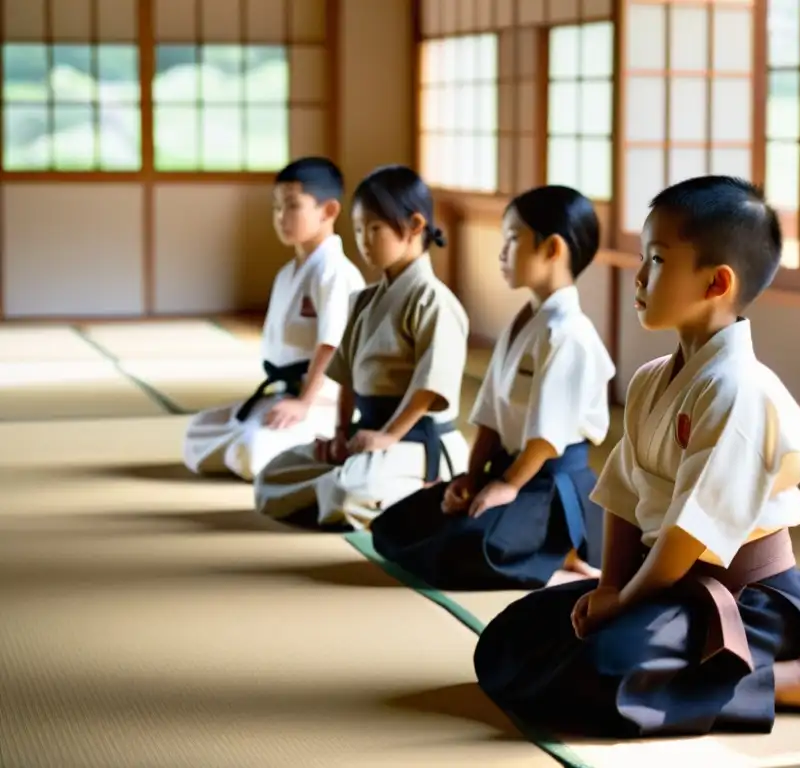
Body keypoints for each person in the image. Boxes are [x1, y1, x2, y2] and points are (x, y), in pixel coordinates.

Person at [473, 176, 800, 738]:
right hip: (660, 582)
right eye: (643, 257)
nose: (638, 276)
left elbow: (690, 531)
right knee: (514, 637)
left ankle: (787, 675)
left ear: (716, 282)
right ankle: (703, 658)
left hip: (746, 600)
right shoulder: (649, 380)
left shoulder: (740, 391)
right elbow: (622, 494)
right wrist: (610, 587)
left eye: (657, 260)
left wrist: (626, 600)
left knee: (602, 671)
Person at [370, 185, 616, 590]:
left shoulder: (570, 335)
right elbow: (489, 414)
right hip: (508, 469)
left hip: (547, 485)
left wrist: (506, 485)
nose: (502, 252)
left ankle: (565, 549)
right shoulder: (524, 320)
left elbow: (545, 438)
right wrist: (472, 475)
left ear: (553, 249)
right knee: (396, 527)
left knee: (456, 552)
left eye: (513, 240)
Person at [253, 165, 470, 529]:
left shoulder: (435, 302)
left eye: (374, 228)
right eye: (357, 229)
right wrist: (341, 434)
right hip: (364, 434)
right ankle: (353, 487)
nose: (364, 240)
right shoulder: (363, 301)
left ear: (415, 226)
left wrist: (389, 436)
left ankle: (401, 489)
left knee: (345, 493)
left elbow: (428, 388)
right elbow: (347, 378)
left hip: (414, 440)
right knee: (272, 476)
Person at [182, 157, 365, 481]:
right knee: (198, 429)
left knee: (251, 449)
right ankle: (266, 439)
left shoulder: (334, 272)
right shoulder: (287, 273)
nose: (281, 217)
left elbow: (332, 345)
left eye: (292, 206)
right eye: (276, 207)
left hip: (322, 403)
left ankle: (326, 447)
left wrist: (305, 402)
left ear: (329, 211)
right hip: (283, 395)